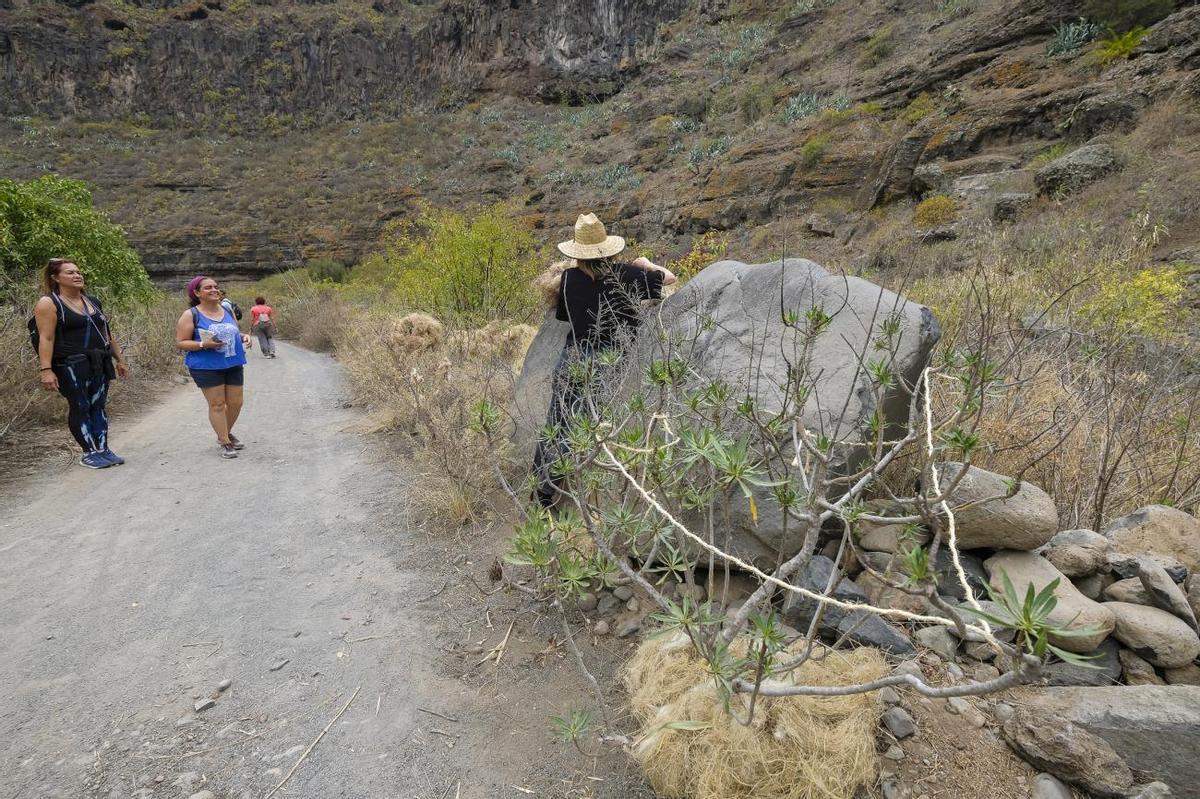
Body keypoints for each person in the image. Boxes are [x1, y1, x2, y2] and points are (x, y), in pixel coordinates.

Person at [533, 213, 676, 507]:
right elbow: (670, 278)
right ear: (610, 248)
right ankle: (600, 498)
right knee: (600, 424)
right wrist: (646, 264)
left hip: (572, 357)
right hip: (610, 361)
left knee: (559, 423)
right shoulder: (629, 275)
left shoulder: (568, 279)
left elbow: (564, 316)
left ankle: (543, 495)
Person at [33, 258, 131, 469]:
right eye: (70, 273)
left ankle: (103, 449)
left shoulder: (93, 301)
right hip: (70, 365)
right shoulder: (49, 303)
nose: (77, 276)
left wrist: (119, 359)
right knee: (80, 406)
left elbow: (107, 334)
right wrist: (46, 370)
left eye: (78, 272)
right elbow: (46, 338)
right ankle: (88, 452)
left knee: (99, 405)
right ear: (55, 278)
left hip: (100, 361)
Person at [176, 275, 252, 459]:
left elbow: (230, 331)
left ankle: (223, 432)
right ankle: (226, 441)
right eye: (208, 287)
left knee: (236, 403)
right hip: (206, 366)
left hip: (232, 362)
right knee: (217, 404)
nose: (214, 290)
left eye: (215, 286)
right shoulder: (191, 314)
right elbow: (181, 342)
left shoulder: (226, 309)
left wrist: (243, 337)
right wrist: (203, 345)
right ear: (196, 293)